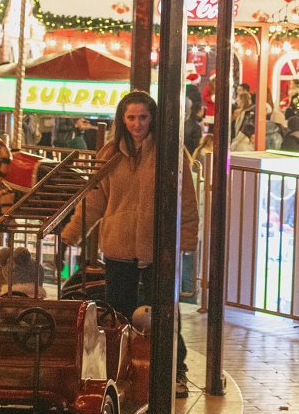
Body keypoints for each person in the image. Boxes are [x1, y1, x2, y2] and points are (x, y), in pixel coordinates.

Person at [61, 90, 198, 398]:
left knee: (163, 312)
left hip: (156, 247)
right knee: (119, 311)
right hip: (119, 246)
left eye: (144, 117)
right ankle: (124, 369)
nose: (137, 124)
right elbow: (95, 199)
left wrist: (188, 239)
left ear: (154, 119)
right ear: (122, 120)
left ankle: (176, 371)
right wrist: (71, 233)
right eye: (131, 117)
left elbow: (186, 199)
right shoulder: (110, 154)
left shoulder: (170, 152)